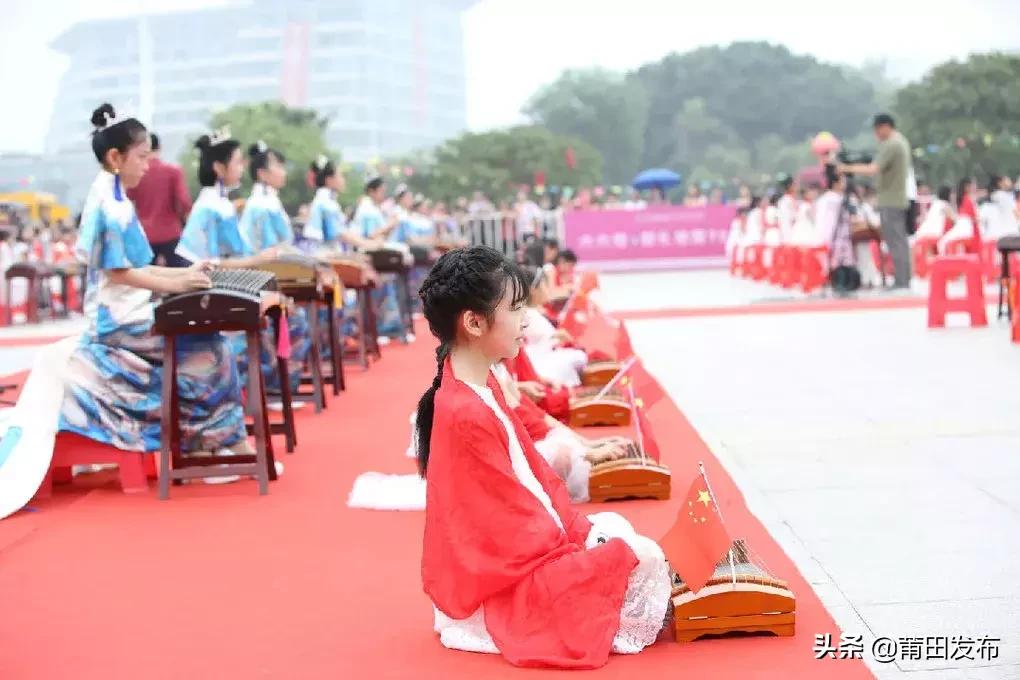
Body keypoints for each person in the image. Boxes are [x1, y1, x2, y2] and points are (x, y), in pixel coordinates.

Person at [415, 245, 672, 668]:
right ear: (474, 322)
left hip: (516, 550)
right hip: (496, 586)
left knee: (616, 532)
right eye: (516, 309)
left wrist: (580, 533)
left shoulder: (480, 382)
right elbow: (510, 521)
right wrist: (579, 550)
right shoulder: (464, 408)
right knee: (638, 555)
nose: (527, 320)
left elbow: (530, 476)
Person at [59, 104, 250, 474]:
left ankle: (220, 444)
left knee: (210, 342)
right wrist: (178, 281)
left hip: (129, 311)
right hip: (117, 322)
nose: (147, 166)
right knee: (208, 347)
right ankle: (208, 450)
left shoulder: (114, 198)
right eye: (142, 157)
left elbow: (130, 269)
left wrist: (182, 277)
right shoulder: (109, 204)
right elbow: (119, 273)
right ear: (116, 157)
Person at [176, 132, 305, 404]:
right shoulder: (210, 206)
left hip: (234, 279)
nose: (241, 168)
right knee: (283, 318)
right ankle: (266, 392)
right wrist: (258, 260)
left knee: (286, 313)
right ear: (219, 168)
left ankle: (268, 390)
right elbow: (211, 263)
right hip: (217, 287)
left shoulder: (221, 203)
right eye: (236, 162)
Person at [840, 113, 913, 289]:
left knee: (895, 242)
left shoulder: (892, 144)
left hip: (891, 199)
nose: (876, 134)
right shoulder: (900, 141)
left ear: (885, 126)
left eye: (877, 129)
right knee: (898, 241)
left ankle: (902, 281)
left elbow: (873, 169)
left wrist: (846, 167)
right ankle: (902, 279)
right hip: (895, 198)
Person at [126, 132, 192, 267]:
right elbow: (184, 201)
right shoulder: (173, 171)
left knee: (147, 276)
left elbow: (129, 198)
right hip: (171, 232)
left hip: (146, 234)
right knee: (180, 273)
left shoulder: (137, 175)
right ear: (160, 147)